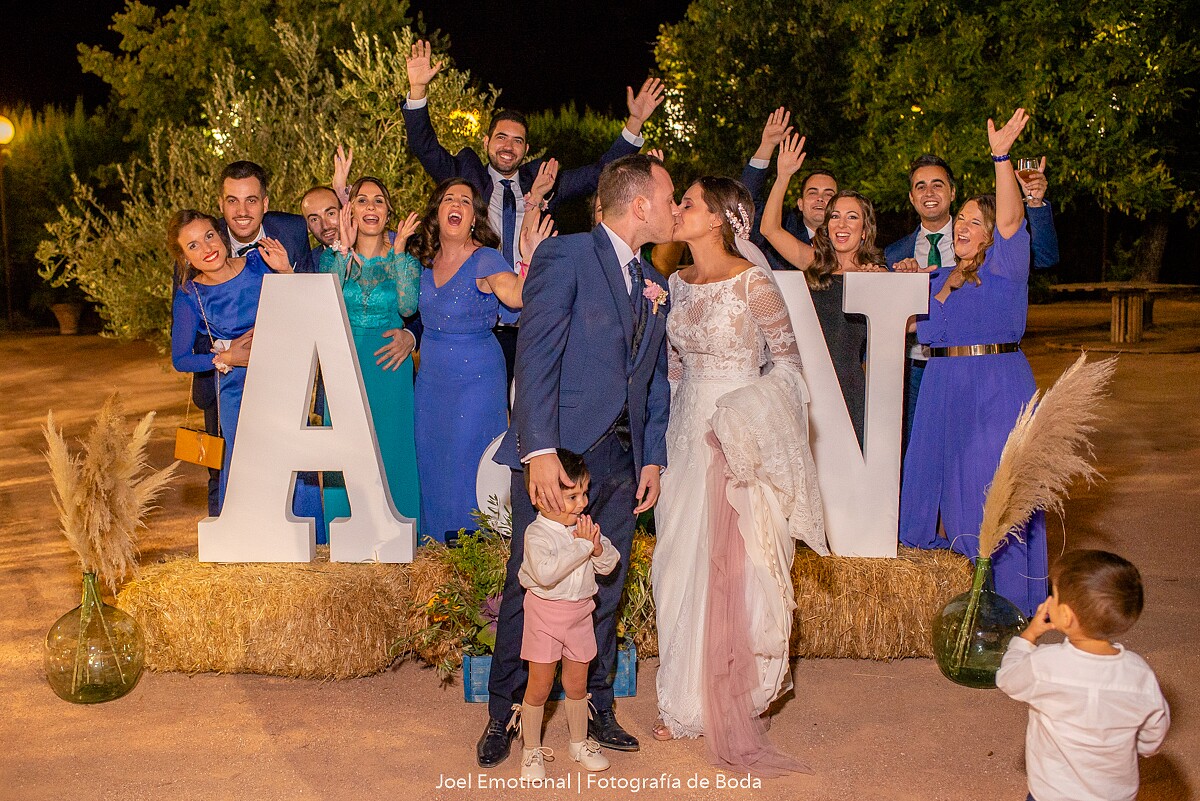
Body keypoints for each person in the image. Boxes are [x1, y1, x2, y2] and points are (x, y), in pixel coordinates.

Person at [486, 154, 674, 768]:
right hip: (560, 456)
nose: (674, 210)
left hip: (623, 460)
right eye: (669, 197)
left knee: (605, 583)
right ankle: (505, 712)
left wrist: (653, 456)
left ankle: (595, 707)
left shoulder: (655, 282)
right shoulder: (565, 255)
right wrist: (538, 452)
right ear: (640, 203)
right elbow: (534, 356)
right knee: (531, 584)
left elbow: (651, 382)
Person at [652, 175, 824, 775]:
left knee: (735, 568)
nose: (678, 210)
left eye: (689, 203)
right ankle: (681, 700)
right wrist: (675, 433)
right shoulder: (675, 283)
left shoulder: (755, 285)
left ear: (722, 218)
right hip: (686, 436)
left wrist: (743, 420)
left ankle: (727, 699)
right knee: (680, 562)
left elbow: (791, 372)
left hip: (737, 436)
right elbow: (674, 369)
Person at [401, 39, 664, 384]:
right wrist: (418, 89)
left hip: (531, 324)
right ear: (487, 142)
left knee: (525, 417)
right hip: (478, 324)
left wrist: (633, 123)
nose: (508, 147)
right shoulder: (466, 175)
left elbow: (602, 170)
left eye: (517, 141)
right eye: (501, 138)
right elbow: (424, 146)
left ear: (525, 149)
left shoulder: (543, 182)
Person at [898, 109, 1049, 617]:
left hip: (994, 384)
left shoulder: (1008, 262)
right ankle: (963, 597)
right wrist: (923, 285)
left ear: (991, 233)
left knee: (994, 493)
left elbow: (1009, 217)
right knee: (944, 487)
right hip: (943, 387)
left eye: (972, 221)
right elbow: (917, 329)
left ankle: (1009, 606)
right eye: (959, 220)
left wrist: (1001, 156)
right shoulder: (942, 277)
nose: (962, 225)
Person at [885, 154, 1060, 449]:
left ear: (952, 192)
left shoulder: (992, 242)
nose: (929, 193)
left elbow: (1041, 256)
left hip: (987, 374)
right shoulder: (895, 255)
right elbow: (897, 318)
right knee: (921, 453)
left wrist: (1033, 203)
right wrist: (906, 284)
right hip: (920, 376)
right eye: (920, 186)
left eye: (937, 184)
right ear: (911, 198)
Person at [997, 550, 1170, 801]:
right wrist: (1137, 745)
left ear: (1066, 616)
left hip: (1052, 794)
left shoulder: (1045, 665)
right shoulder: (1140, 674)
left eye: (1053, 596)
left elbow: (1007, 678)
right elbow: (1153, 734)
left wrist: (1029, 636)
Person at [411, 178, 524, 544]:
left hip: (476, 380)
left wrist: (531, 256)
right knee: (432, 464)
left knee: (468, 466)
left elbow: (517, 295)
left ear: (474, 216)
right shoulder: (424, 262)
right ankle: (434, 553)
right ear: (438, 212)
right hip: (430, 383)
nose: (456, 204)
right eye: (448, 199)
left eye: (465, 200)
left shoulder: (485, 258)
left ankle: (473, 557)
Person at [761, 134, 885, 448]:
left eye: (852, 216)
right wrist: (784, 176)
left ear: (864, 228)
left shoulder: (877, 274)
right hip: (809, 384)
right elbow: (769, 230)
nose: (841, 224)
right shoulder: (813, 261)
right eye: (835, 216)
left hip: (850, 385)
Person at [168, 209, 295, 509]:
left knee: (289, 453)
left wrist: (287, 272)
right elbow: (181, 359)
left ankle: (303, 529)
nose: (207, 248)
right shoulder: (190, 295)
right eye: (193, 245)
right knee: (245, 462)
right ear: (185, 257)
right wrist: (225, 357)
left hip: (280, 380)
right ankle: (248, 536)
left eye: (209, 236)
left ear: (221, 236)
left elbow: (298, 306)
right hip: (235, 391)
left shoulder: (259, 264)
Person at [318, 176, 422, 525]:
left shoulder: (404, 259)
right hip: (343, 364)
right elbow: (327, 299)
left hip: (389, 364)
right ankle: (342, 530)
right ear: (351, 210)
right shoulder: (332, 257)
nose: (371, 207)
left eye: (379, 201)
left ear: (388, 211)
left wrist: (402, 250)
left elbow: (408, 307)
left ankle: (400, 531)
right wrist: (343, 249)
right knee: (345, 449)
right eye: (362, 200)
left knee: (392, 445)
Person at [515, 449, 620, 781]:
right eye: (572, 495)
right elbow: (545, 574)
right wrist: (583, 547)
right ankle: (531, 750)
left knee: (576, 683)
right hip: (545, 617)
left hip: (580, 616)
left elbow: (608, 564)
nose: (582, 503)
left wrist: (599, 549)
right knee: (540, 685)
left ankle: (579, 742)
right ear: (542, 498)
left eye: (584, 493)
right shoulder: (537, 534)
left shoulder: (584, 528)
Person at [740, 107, 838, 270]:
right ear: (800, 203)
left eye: (828, 194)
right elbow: (745, 202)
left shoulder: (847, 237)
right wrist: (767, 145)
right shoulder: (783, 227)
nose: (820, 198)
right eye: (812, 193)